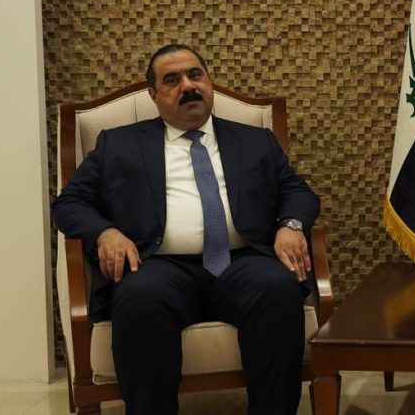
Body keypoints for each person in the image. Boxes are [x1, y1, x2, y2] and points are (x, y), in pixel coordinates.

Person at [51, 43, 320, 415]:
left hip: (242, 261)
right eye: (172, 80)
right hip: (158, 265)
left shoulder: (255, 141)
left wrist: (290, 226)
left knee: (277, 287)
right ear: (154, 95)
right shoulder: (119, 144)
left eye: (195, 75)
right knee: (139, 296)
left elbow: (297, 192)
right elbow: (69, 203)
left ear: (209, 82)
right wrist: (105, 233)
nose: (188, 86)